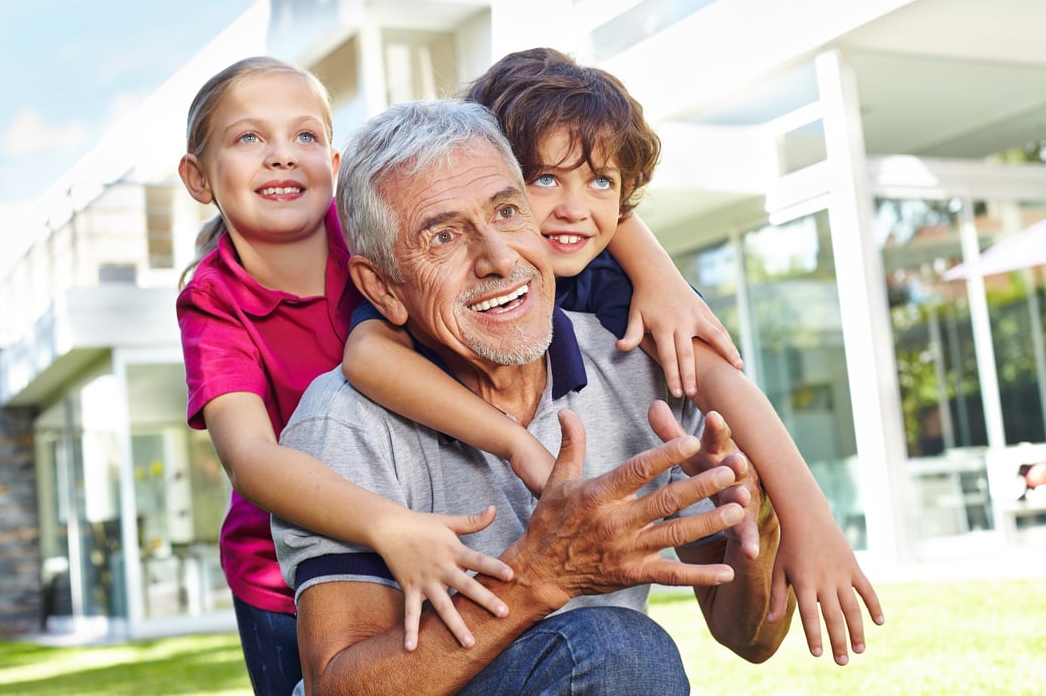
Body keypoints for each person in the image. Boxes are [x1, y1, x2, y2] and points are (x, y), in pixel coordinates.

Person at [346, 47, 885, 665]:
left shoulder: (619, 297)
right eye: (544, 179)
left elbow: (726, 384)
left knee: (622, 650)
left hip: (594, 656)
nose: (575, 206)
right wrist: (517, 444)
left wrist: (801, 516)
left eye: (601, 182)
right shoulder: (434, 286)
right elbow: (366, 355)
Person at [272, 98, 795, 695]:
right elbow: (338, 687)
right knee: (620, 650)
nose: (499, 259)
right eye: (443, 236)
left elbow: (751, 641)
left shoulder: (637, 369)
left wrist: (750, 518)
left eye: (508, 211)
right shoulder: (342, 422)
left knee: (622, 652)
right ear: (381, 289)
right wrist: (539, 576)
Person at [175, 57, 515, 694]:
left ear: (333, 168)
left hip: (428, 525)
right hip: (286, 579)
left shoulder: (371, 237)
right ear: (198, 178)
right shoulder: (213, 301)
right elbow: (250, 458)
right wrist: (388, 525)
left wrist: (656, 269)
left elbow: (549, 201)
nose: (281, 156)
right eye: (250, 137)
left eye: (304, 136)